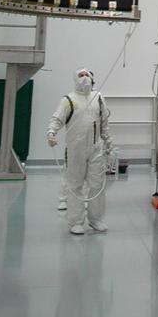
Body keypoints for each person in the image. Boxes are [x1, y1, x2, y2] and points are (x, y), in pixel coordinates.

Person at [47, 68, 112, 234]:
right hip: (75, 149)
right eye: (81, 75)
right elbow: (57, 118)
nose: (84, 78)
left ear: (92, 78)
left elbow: (104, 120)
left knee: (97, 185)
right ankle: (75, 221)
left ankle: (96, 219)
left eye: (87, 75)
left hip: (96, 148)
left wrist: (108, 140)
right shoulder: (69, 100)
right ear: (75, 79)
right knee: (75, 184)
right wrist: (51, 132)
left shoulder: (98, 98)